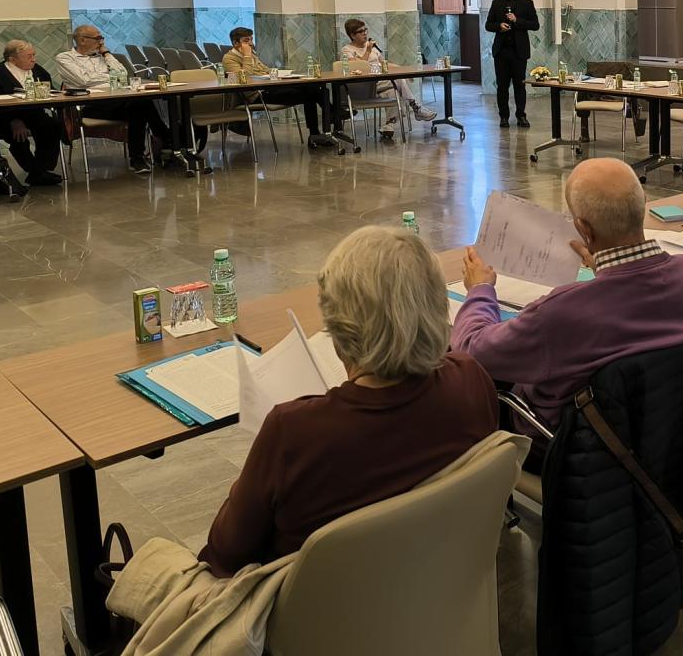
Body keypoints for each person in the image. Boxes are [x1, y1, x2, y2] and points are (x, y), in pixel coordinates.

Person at [199, 226, 498, 576]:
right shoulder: (470, 380)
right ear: (436, 309)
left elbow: (223, 556)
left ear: (340, 331)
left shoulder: (293, 432)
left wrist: (254, 479)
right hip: (442, 587)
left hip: (313, 608)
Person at [454, 158, 683, 439]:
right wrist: (606, 268)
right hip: (673, 434)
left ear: (584, 229)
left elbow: (472, 351)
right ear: (643, 204)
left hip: (567, 445)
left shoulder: (562, 311)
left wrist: (480, 289)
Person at [55, 25, 172, 174]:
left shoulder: (103, 57)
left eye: (102, 38)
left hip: (117, 101)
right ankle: (166, 139)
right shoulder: (65, 58)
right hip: (91, 105)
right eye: (98, 38)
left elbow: (122, 74)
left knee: (139, 104)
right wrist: (110, 78)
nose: (102, 42)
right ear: (82, 40)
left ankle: (138, 157)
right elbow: (84, 80)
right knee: (139, 105)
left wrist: (107, 54)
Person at [222, 27, 343, 148]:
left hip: (271, 88)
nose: (250, 43)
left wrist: (280, 74)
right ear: (235, 43)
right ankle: (331, 118)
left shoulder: (251, 55)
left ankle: (321, 128)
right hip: (257, 95)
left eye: (251, 39)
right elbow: (244, 79)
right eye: (246, 40)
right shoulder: (229, 58)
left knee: (313, 88)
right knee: (312, 92)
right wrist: (247, 56)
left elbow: (265, 70)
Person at [0, 40, 63, 185]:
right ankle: (36, 172)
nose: (34, 59)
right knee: (18, 135)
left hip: (33, 114)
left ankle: (40, 170)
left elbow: (50, 91)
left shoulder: (38, 70)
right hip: (2, 118)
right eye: (29, 56)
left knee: (52, 126)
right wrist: (13, 121)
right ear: (12, 59)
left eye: (34, 55)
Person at [339, 19, 437, 139]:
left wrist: (402, 70)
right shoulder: (347, 50)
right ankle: (416, 108)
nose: (365, 33)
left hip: (379, 84)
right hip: (361, 87)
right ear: (352, 35)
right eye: (361, 31)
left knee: (392, 90)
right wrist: (368, 51)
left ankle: (389, 125)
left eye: (365, 30)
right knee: (397, 81)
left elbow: (384, 64)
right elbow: (359, 67)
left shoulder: (373, 48)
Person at [485, 0, 539, 128]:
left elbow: (535, 25)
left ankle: (521, 115)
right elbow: (488, 25)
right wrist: (499, 26)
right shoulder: (496, 4)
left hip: (519, 52)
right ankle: (503, 117)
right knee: (502, 87)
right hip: (501, 52)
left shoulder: (526, 3)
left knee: (519, 86)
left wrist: (517, 20)